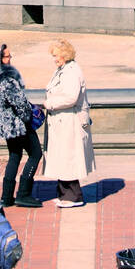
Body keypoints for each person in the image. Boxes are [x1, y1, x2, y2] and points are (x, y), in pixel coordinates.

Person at [0, 43, 43, 208]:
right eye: (7, 56)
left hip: (5, 127)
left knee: (14, 156)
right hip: (19, 125)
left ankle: (6, 197)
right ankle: (23, 193)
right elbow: (21, 104)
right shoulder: (8, 80)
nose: (10, 60)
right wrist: (29, 117)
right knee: (36, 154)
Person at [43, 39, 96, 208]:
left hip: (69, 122)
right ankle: (64, 194)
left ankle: (73, 197)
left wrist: (49, 104)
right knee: (63, 159)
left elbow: (71, 98)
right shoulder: (64, 70)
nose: (54, 59)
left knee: (69, 159)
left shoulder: (71, 72)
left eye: (56, 55)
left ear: (65, 55)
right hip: (62, 122)